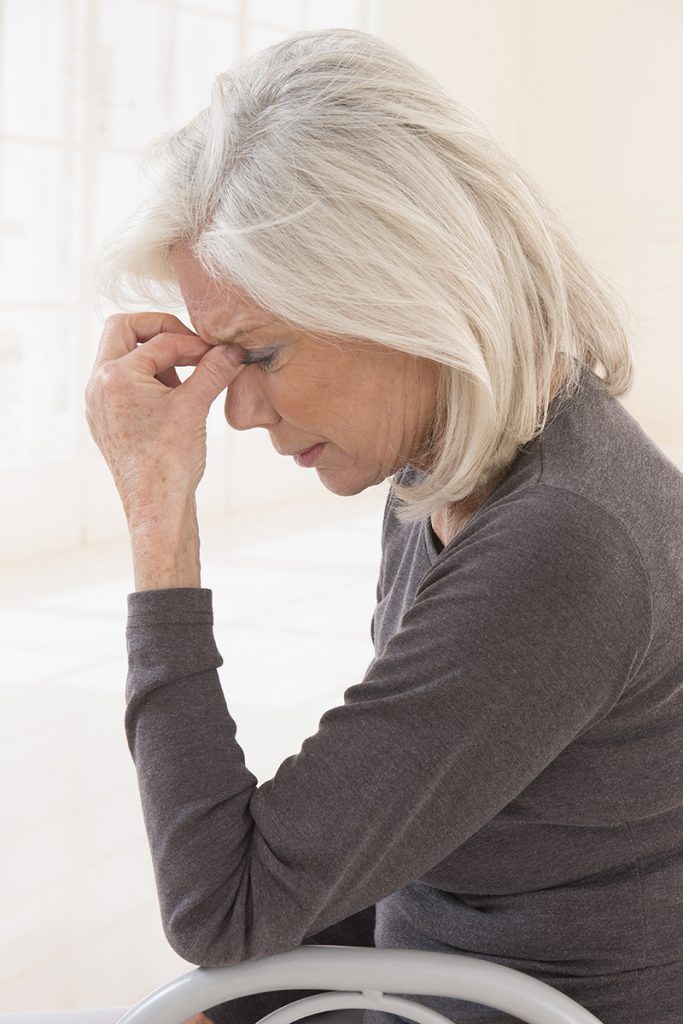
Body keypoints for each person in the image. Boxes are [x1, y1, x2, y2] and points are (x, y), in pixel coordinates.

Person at [85, 27, 683, 1024]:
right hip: (435, 990)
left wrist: (159, 521)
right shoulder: (447, 469)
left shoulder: (562, 543)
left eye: (262, 354)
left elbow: (220, 903)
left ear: (398, 294)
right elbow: (406, 824)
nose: (236, 411)